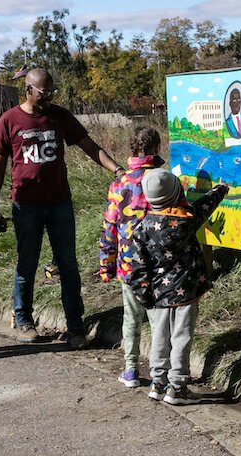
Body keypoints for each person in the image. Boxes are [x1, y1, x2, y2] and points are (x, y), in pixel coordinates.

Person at [0, 67, 124, 348]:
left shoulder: (59, 116)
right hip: (26, 206)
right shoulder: (9, 120)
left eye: (51, 93)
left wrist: (117, 169)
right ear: (28, 89)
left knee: (68, 265)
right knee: (27, 263)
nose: (48, 98)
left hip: (59, 203)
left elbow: (89, 145)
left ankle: (76, 326)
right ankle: (24, 320)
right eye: (43, 93)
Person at [129, 169, 229, 405]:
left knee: (160, 338)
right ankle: (177, 387)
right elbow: (206, 205)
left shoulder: (141, 229)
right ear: (176, 193)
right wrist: (221, 188)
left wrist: (145, 297)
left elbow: (138, 270)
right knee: (181, 337)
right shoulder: (186, 219)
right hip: (186, 291)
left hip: (158, 296)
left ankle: (157, 382)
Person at [99, 126, 165, 388]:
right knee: (158, 320)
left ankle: (130, 371)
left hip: (128, 264)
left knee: (131, 318)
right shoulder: (163, 179)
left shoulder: (119, 184)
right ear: (156, 149)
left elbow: (109, 229)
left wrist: (106, 265)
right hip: (160, 263)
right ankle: (162, 374)